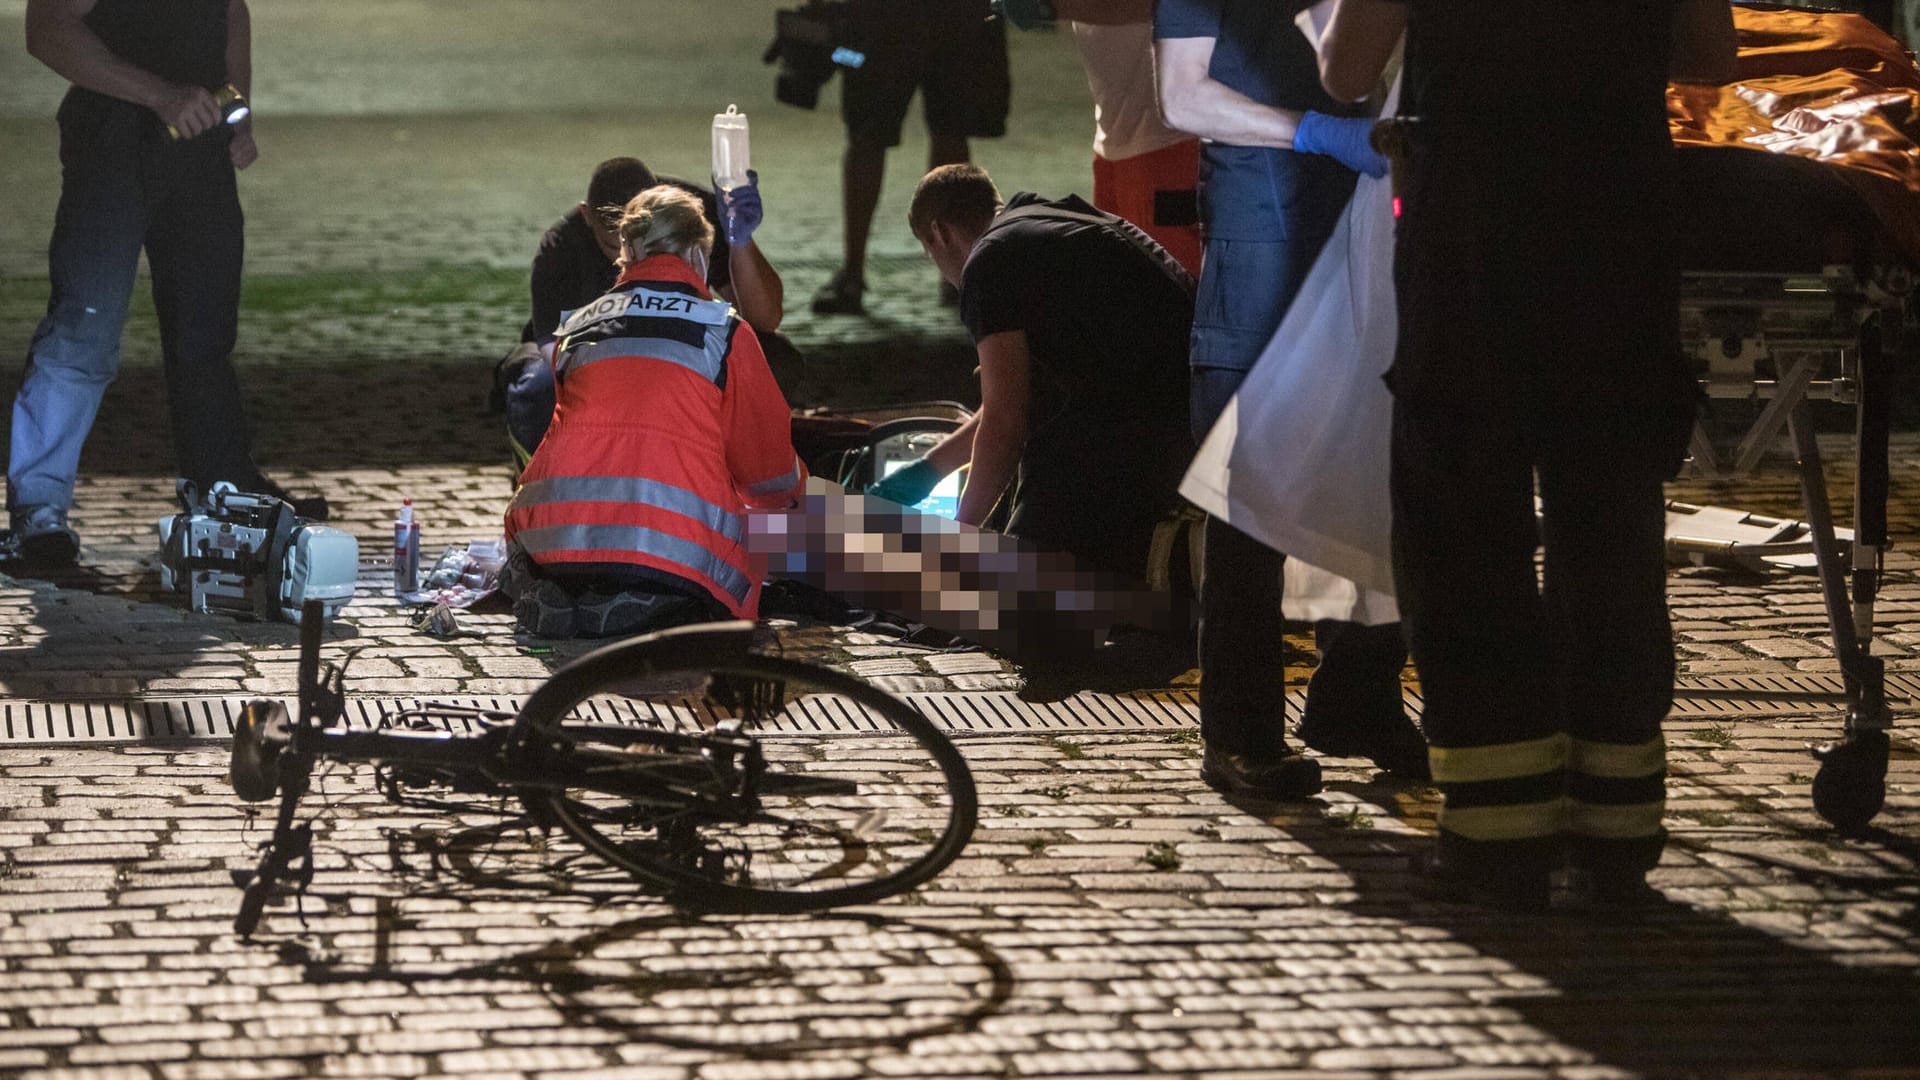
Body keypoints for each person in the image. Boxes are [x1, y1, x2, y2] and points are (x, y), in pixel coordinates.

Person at [1319, 0, 1737, 909]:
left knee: (1463, 525)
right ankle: (1615, 825)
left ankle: (1498, 831)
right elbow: (1710, 56)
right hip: (1619, 225)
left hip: (1474, 227)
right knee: (1612, 523)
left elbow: (1347, 72)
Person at [1153, 0, 1426, 802]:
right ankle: (1240, 734)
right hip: (1265, 223)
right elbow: (1182, 96)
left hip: (1369, 222)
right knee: (1249, 482)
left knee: (1385, 457)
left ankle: (1358, 696)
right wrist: (1311, 130)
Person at [7, 0, 326, 570]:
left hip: (198, 145)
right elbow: (49, 29)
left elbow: (229, 13)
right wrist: (159, 95)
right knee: (84, 326)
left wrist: (237, 113)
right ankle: (38, 511)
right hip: (113, 138)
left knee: (205, 332)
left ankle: (223, 488)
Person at [502, 186, 806, 638]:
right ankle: (648, 598)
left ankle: (574, 593)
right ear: (697, 254)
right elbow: (768, 477)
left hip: (552, 540)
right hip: (669, 553)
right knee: (801, 525)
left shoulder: (578, 326)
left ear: (628, 248)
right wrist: (800, 494)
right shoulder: (723, 332)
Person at [878, 164, 1192, 584]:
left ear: (938, 233)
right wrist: (927, 471)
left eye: (928, 252)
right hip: (1191, 405)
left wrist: (956, 537)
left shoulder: (989, 262)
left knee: (1020, 591)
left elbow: (1008, 419)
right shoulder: (1042, 224)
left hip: (1149, 430)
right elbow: (1011, 397)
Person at [499, 157, 796, 465]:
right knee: (540, 383)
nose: (629, 264)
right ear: (588, 216)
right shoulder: (562, 248)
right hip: (600, 360)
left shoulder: (694, 216)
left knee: (774, 358)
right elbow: (558, 355)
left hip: (667, 350)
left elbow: (765, 318)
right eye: (615, 249)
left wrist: (740, 241)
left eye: (650, 251)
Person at [810, 0, 1010, 315]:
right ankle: (956, 269)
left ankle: (853, 272)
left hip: (885, 17)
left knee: (871, 137)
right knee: (946, 132)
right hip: (950, 16)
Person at [998, 0, 1203, 273]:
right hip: (1116, 139)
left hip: (1165, 143)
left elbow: (1146, 6)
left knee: (1175, 284)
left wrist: (1048, 9)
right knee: (1121, 278)